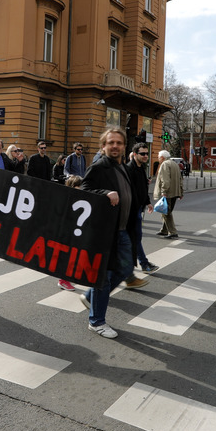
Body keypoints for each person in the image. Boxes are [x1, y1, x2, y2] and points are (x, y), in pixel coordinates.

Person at [80, 128, 139, 339]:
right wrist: (105, 193)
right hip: (105, 233)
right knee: (103, 278)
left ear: (124, 146)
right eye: (111, 142)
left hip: (122, 230)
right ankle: (96, 321)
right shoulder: (99, 166)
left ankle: (91, 296)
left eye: (119, 143)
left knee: (125, 269)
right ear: (103, 146)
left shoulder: (121, 166)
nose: (115, 146)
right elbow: (83, 190)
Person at [127, 143, 160, 275]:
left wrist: (147, 202)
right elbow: (130, 191)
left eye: (147, 153)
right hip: (132, 210)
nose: (146, 156)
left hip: (139, 208)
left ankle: (133, 263)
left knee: (135, 238)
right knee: (135, 237)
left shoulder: (141, 168)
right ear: (134, 154)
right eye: (142, 154)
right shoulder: (129, 169)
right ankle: (144, 263)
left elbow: (142, 188)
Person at [154, 150, 183, 238]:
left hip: (168, 192)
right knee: (167, 211)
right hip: (175, 192)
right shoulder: (174, 164)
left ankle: (172, 232)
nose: (158, 159)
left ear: (162, 157)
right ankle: (164, 230)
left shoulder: (164, 164)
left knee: (166, 212)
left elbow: (165, 180)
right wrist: (181, 191)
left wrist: (164, 191)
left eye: (159, 157)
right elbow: (180, 179)